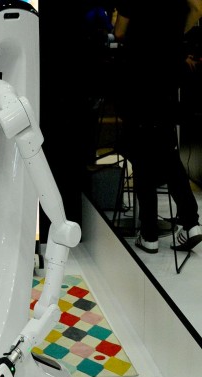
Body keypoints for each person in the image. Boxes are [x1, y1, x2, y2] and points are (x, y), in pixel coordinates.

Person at [113, 0, 202, 253]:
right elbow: (197, 8)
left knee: (143, 154)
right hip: (168, 73)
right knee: (165, 148)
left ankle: (149, 233)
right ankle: (191, 223)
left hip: (139, 73)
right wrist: (171, 36)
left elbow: (120, 31)